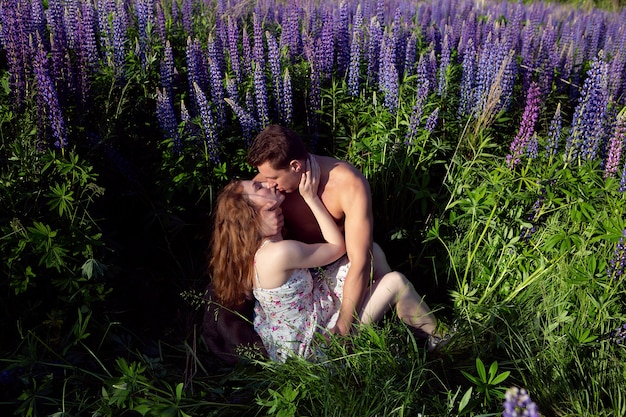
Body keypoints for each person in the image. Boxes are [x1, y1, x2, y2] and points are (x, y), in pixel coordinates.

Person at [209, 156, 443, 362]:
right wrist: (311, 198)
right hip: (315, 348)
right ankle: (443, 344)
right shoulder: (278, 253)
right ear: (249, 213)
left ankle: (393, 323)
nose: (268, 182)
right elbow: (336, 247)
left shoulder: (251, 247)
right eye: (259, 187)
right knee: (396, 282)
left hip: (304, 317)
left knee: (372, 252)